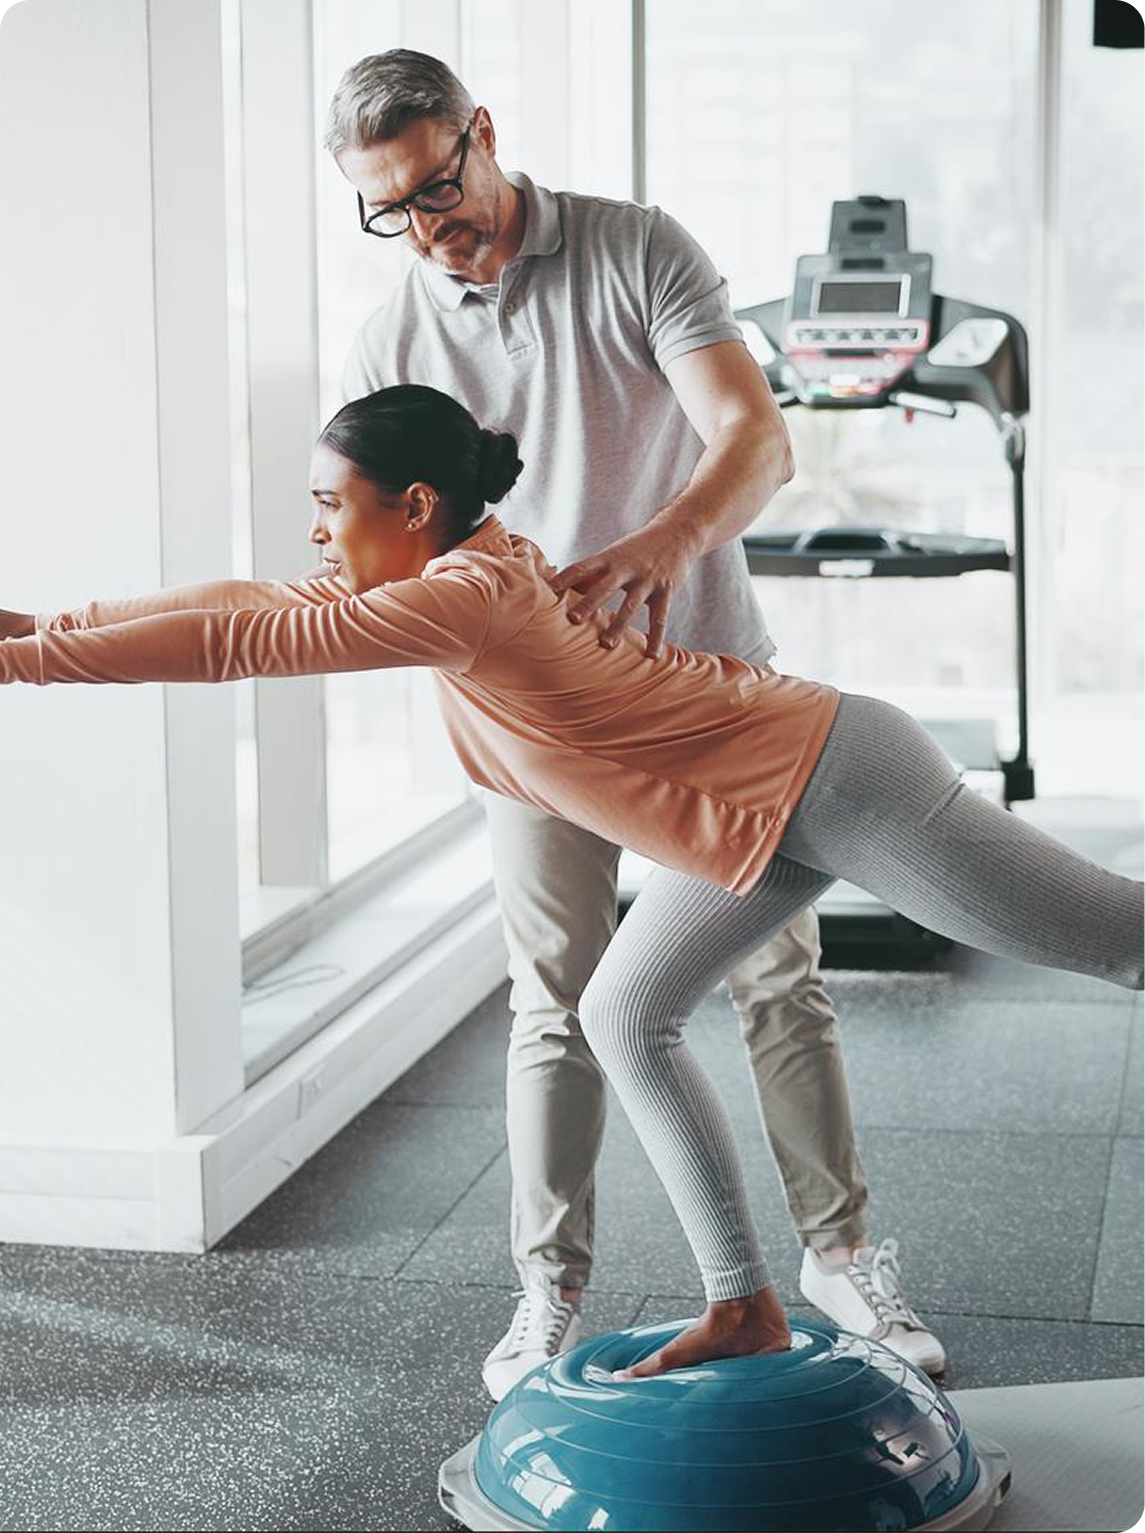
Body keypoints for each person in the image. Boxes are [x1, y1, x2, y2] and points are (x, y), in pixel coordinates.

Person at [4, 384, 1143, 1382]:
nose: (314, 529)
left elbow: (236, 647)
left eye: (327, 502)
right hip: (757, 813)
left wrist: (28, 662)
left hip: (841, 781)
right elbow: (251, 605)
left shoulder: (459, 600)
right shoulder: (462, 570)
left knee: (1121, 941)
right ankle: (742, 1305)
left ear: (412, 505)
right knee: (624, 1013)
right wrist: (40, 626)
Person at [322, 47, 945, 1392]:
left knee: (777, 980)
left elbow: (754, 438)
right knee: (553, 1000)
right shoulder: (392, 340)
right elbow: (379, 548)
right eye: (391, 211)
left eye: (437, 187)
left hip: (704, 688)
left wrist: (662, 544)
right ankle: (547, 1289)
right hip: (538, 730)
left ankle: (839, 1256)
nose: (427, 227)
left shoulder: (633, 250)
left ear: (482, 134)